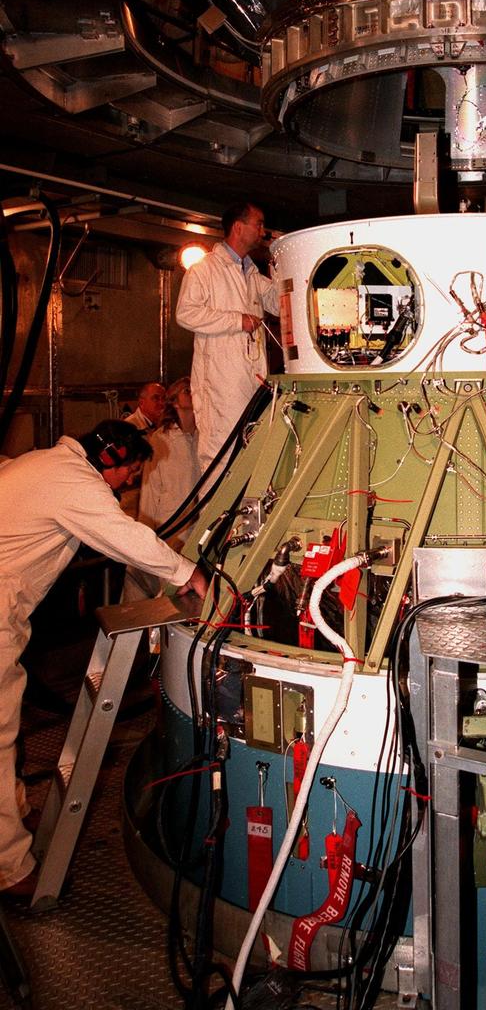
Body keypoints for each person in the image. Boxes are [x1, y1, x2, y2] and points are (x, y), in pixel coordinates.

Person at [0, 419, 208, 899]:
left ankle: (13, 808)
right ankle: (10, 868)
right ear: (110, 457)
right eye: (131, 469)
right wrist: (187, 572)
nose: (132, 480)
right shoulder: (73, 481)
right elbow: (122, 535)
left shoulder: (52, 463)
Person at [176, 202, 279, 474]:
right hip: (219, 381)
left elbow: (281, 303)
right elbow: (186, 313)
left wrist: (283, 265)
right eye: (258, 224)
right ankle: (215, 516)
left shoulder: (252, 274)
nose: (262, 231)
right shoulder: (204, 269)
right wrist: (237, 320)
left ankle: (244, 515)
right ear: (238, 227)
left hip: (251, 378)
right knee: (219, 456)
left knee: (251, 452)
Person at [124, 378, 202, 602]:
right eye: (187, 390)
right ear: (175, 402)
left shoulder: (201, 439)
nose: (193, 393)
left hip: (195, 527)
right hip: (171, 528)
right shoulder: (160, 441)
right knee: (168, 593)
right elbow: (150, 490)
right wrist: (145, 536)